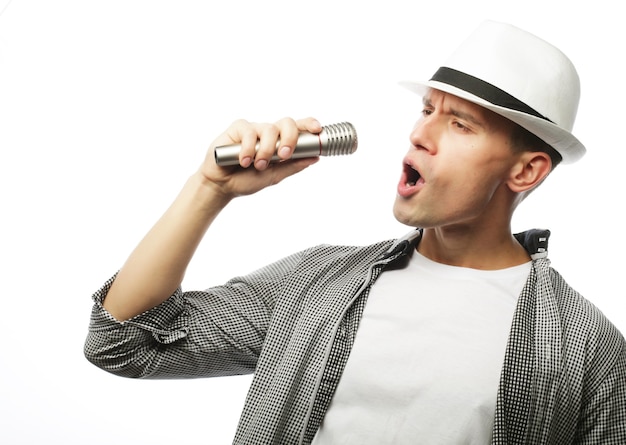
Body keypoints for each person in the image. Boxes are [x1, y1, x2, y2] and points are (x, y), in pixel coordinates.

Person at [84, 20, 626, 444]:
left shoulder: (587, 349)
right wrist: (209, 189)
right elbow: (123, 342)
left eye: (460, 124)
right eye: (427, 110)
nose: (420, 134)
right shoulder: (316, 286)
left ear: (526, 171)